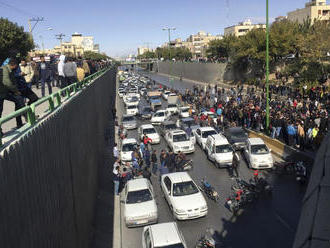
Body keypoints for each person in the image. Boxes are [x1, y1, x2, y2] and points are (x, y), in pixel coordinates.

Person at [0, 58, 25, 134]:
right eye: (16, 66)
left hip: (5, 92)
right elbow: (7, 82)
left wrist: (16, 91)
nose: (17, 68)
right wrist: (15, 91)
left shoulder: (10, 71)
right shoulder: (4, 69)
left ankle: (21, 120)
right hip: (1, 94)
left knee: (19, 100)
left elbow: (13, 81)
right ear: (14, 65)